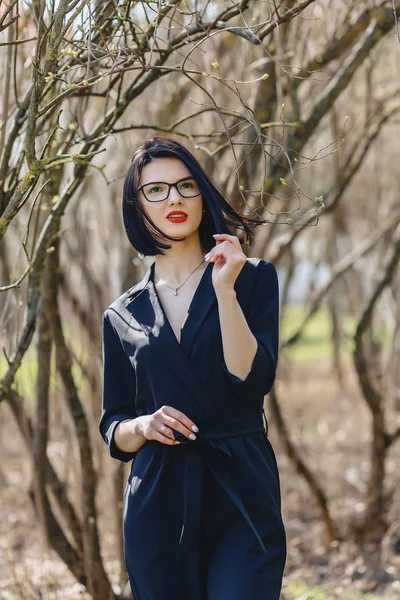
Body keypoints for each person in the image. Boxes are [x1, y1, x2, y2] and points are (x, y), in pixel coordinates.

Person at [99, 136, 287, 600]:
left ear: (203, 193)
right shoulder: (122, 313)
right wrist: (143, 424)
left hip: (241, 483)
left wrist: (225, 292)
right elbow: (113, 427)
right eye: (156, 190)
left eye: (186, 186)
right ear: (136, 205)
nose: (175, 199)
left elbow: (253, 379)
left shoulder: (253, 277)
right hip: (159, 497)